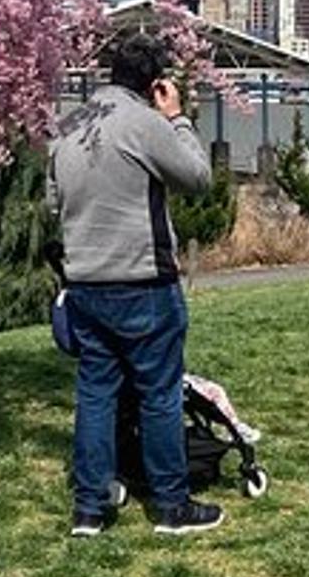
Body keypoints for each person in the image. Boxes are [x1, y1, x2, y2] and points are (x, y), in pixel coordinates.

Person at [47, 30, 220, 538]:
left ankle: (90, 509)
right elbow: (197, 177)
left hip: (85, 283)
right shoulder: (145, 122)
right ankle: (170, 505)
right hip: (143, 279)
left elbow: (52, 205)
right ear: (154, 82)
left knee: (96, 393)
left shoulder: (68, 125)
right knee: (159, 392)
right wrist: (178, 118)